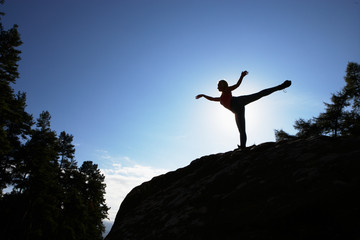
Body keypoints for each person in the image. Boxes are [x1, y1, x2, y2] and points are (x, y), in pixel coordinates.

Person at [196, 70, 291, 149]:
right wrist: (203, 96)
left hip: (239, 102)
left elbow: (237, 85)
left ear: (223, 86)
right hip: (237, 111)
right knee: (241, 130)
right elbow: (212, 99)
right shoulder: (221, 98)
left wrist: (241, 76)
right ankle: (243, 147)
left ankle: (280, 86)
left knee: (259, 94)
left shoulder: (227, 90)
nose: (217, 87)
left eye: (218, 85)